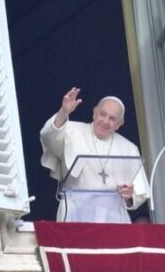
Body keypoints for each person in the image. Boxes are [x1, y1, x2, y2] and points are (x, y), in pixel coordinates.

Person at [40, 87, 150, 223]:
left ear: (119, 124)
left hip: (113, 217)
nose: (105, 121)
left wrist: (129, 195)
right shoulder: (72, 131)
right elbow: (48, 136)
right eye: (102, 114)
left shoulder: (129, 148)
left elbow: (139, 193)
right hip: (75, 212)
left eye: (112, 118)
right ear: (94, 113)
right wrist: (64, 112)